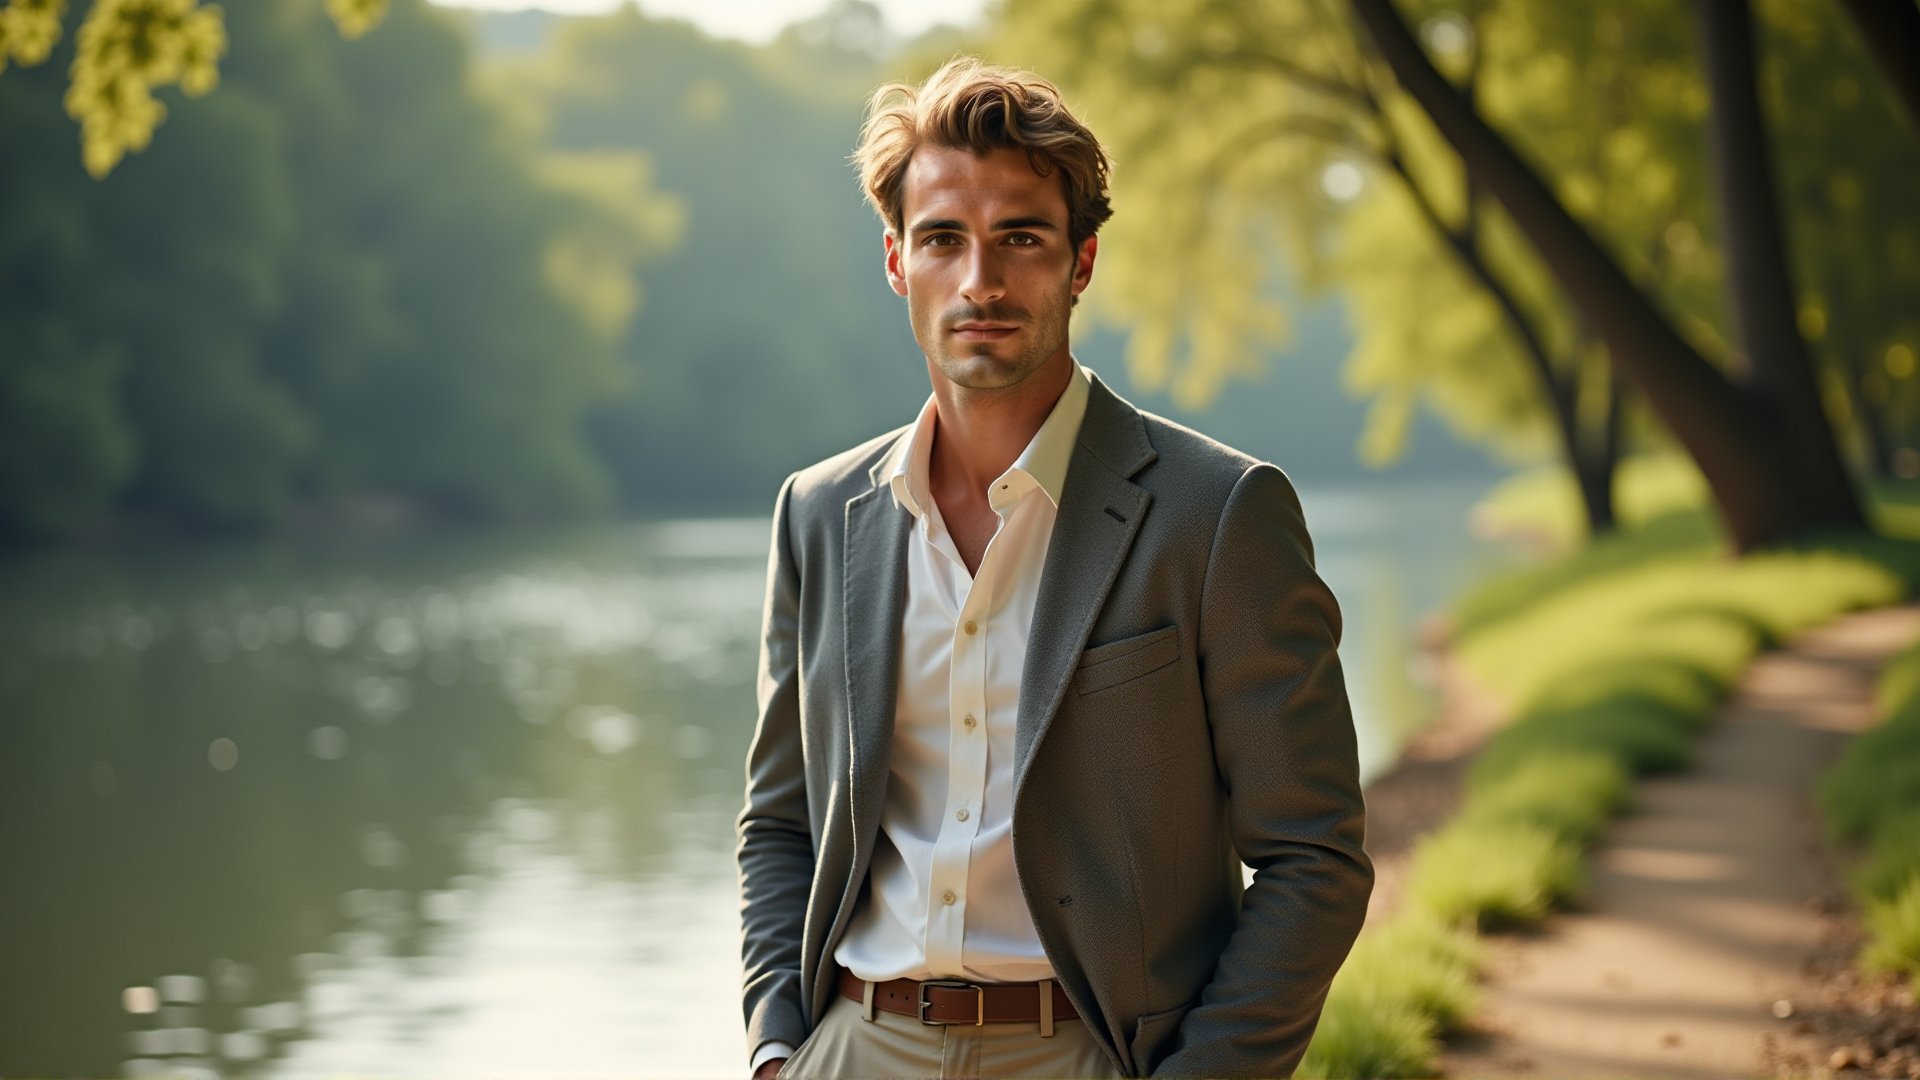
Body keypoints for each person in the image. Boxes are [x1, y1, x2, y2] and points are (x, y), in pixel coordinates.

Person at [735, 56, 1372, 1079]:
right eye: (943, 239)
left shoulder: (1217, 515)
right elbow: (781, 819)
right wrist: (776, 1043)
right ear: (897, 261)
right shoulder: (820, 515)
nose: (980, 281)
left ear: (1080, 262)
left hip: (1092, 1053)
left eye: (1021, 238)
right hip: (854, 1045)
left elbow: (1314, 856)